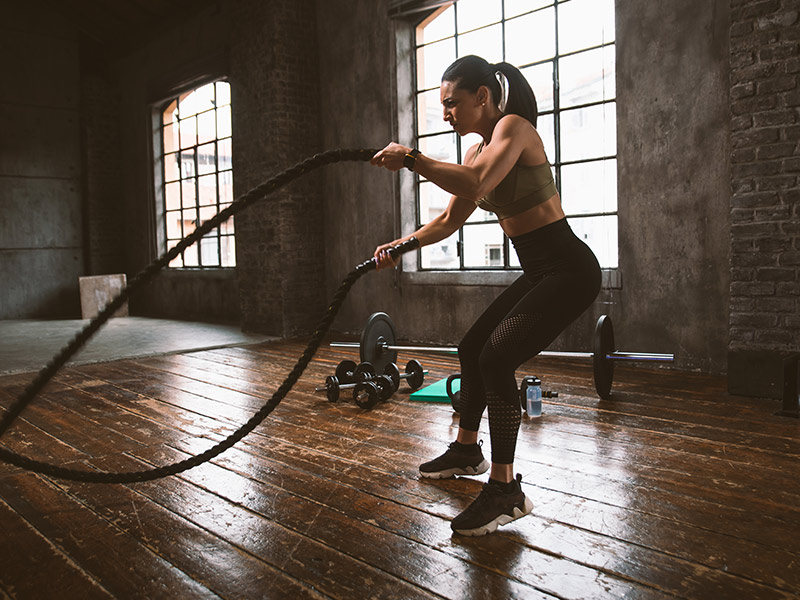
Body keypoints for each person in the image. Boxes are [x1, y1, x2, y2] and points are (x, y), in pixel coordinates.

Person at [370, 55, 601, 536]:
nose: (447, 113)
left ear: (482, 97)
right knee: (472, 348)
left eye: (453, 104)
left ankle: (505, 490)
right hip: (540, 271)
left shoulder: (515, 128)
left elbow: (475, 185)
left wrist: (413, 158)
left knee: (496, 360)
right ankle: (467, 449)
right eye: (442, 106)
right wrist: (401, 245)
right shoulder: (476, 153)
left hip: (571, 270)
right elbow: (450, 219)